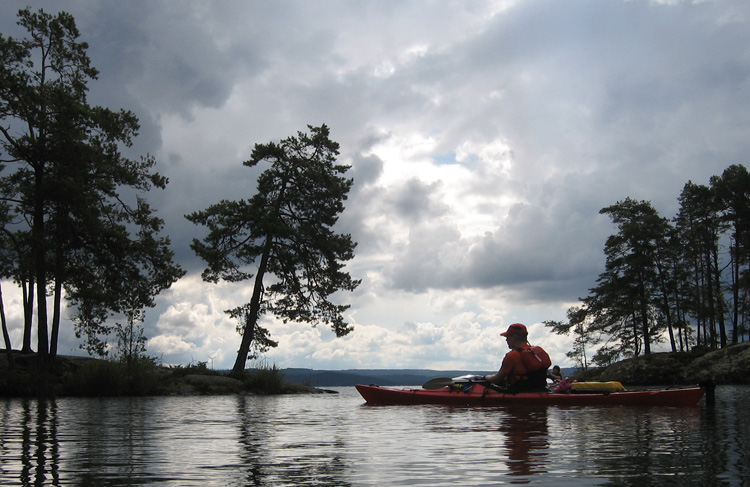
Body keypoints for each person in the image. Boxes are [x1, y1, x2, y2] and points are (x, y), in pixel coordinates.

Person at [484, 323, 550, 392]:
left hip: (518, 394)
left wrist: (485, 377)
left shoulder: (512, 355)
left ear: (515, 337)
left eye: (507, 337)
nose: (506, 340)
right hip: (541, 393)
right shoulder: (536, 353)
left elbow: (496, 379)